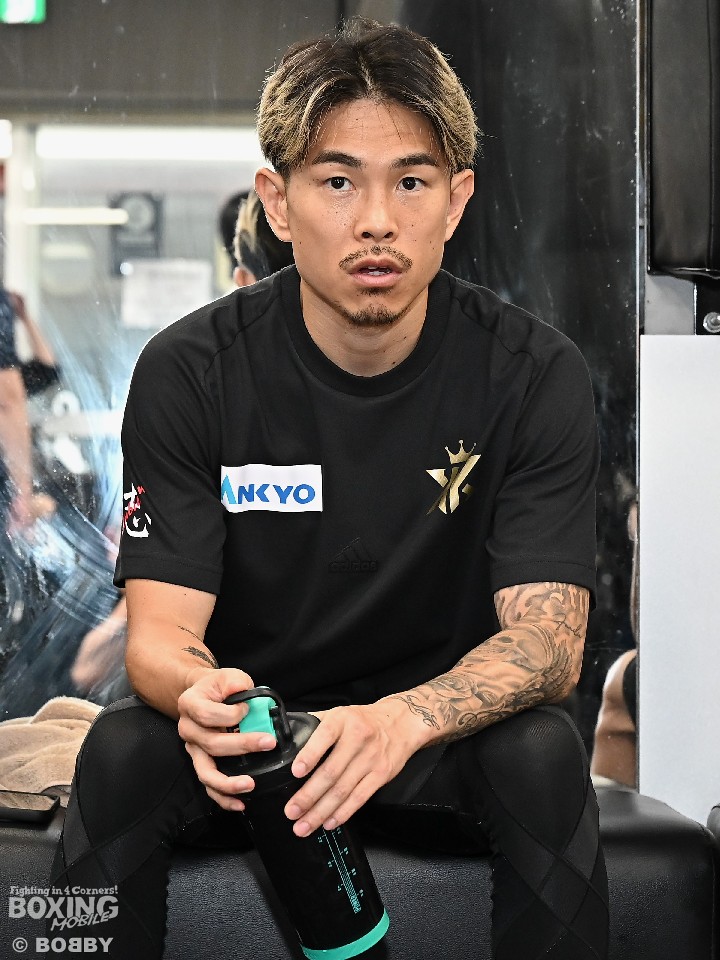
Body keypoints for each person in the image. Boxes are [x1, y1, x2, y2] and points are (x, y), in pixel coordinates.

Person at [51, 18, 608, 959]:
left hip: (431, 739)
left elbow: (549, 644)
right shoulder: (191, 370)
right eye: (338, 181)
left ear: (457, 201)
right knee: (120, 748)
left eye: (412, 182)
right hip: (257, 742)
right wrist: (205, 697)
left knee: (544, 749)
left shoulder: (533, 373)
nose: (376, 220)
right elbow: (159, 638)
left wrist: (399, 722)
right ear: (277, 201)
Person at [0, 285, 56, 537]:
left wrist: (25, 318)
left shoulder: (16, 382)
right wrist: (23, 493)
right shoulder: (10, 389)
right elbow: (8, 400)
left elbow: (48, 369)